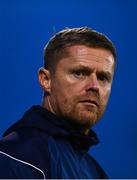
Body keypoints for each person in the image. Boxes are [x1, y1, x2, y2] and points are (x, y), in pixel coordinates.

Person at [0, 27, 116, 179]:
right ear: (46, 80)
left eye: (102, 77)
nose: (94, 86)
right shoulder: (15, 157)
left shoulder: (96, 172)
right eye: (79, 73)